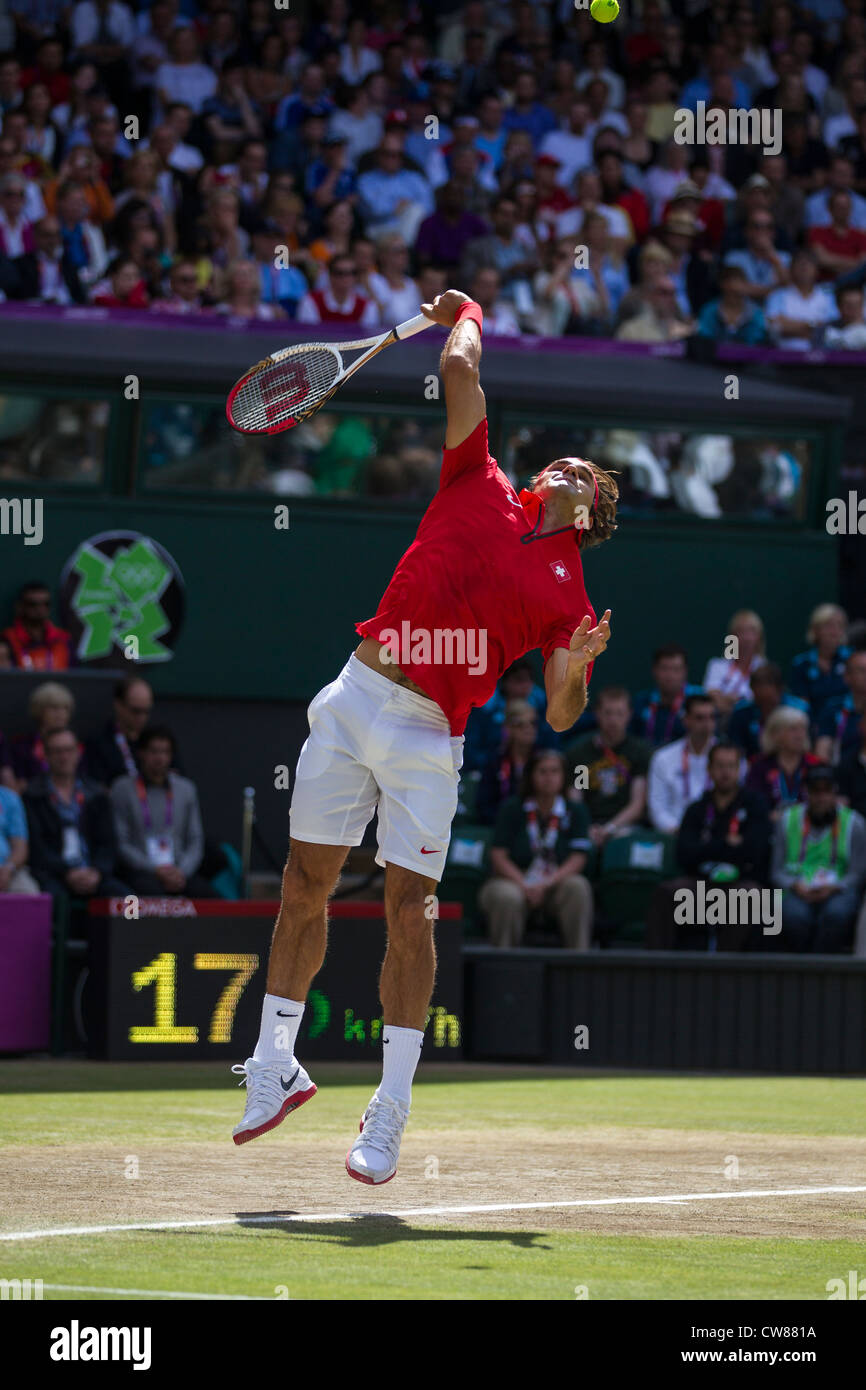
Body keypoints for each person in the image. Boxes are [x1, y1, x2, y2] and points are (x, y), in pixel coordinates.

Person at [230, 287, 616, 1183]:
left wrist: (584, 661)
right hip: (355, 690)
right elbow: (456, 364)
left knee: (409, 911)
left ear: (590, 514)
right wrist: (469, 312)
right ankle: (275, 1063)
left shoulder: (571, 596)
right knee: (302, 885)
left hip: (428, 734)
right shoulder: (474, 474)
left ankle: (391, 1105)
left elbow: (561, 714)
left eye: (583, 473)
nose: (564, 464)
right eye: (561, 460)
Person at [646, 742, 772, 950]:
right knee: (666, 893)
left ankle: (726, 971)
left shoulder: (755, 805)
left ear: (739, 770)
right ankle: (656, 970)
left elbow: (755, 852)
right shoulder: (697, 808)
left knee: (751, 897)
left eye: (731, 766)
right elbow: (684, 854)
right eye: (720, 766)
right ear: (709, 770)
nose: (725, 772)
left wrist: (708, 848)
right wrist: (726, 845)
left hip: (740, 882)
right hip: (700, 884)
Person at [479, 749, 594, 950]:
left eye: (554, 772)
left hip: (556, 880)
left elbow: (578, 858)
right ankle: (503, 966)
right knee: (507, 896)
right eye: (542, 772)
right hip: (515, 879)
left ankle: (579, 962)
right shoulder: (512, 808)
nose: (548, 778)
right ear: (531, 776)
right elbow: (498, 855)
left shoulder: (576, 810)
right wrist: (524, 884)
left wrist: (546, 884)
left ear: (563, 776)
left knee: (578, 887)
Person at [24, 726, 128, 900]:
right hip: (54, 875)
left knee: (128, 901)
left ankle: (131, 928)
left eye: (68, 750)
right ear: (46, 755)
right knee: (53, 900)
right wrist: (67, 872)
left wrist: (97, 872)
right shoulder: (33, 796)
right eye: (57, 751)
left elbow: (109, 843)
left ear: (78, 753)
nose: (63, 757)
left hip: (94, 873)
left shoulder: (96, 794)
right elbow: (38, 848)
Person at [110, 725, 213, 898]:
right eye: (154, 751)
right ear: (141, 753)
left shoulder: (186, 789)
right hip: (141, 870)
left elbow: (195, 840)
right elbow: (121, 843)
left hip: (179, 869)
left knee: (208, 897)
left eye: (165, 752)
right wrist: (155, 870)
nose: (160, 758)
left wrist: (181, 872)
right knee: (150, 893)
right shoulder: (123, 788)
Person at [771, 765, 866, 952]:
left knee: (836, 914)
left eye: (827, 790)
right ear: (807, 792)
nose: (822, 797)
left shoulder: (855, 823)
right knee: (794, 916)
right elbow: (775, 871)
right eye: (816, 791)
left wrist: (835, 887)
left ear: (835, 792)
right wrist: (794, 885)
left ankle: (823, 973)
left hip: (838, 889)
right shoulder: (787, 820)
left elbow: (858, 873)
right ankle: (799, 971)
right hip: (796, 888)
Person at [566, 686, 651, 849]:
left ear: (629, 715)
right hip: (590, 825)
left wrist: (610, 828)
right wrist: (588, 827)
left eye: (619, 713)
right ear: (597, 714)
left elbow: (637, 805)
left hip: (626, 826)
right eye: (608, 713)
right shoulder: (581, 753)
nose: (613, 720)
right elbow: (577, 798)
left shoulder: (639, 752)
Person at [648, 693, 719, 834]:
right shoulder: (663, 758)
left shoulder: (731, 758)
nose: (707, 724)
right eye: (700, 718)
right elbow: (657, 808)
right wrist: (680, 831)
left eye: (712, 717)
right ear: (686, 720)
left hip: (715, 834)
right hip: (675, 834)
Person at [745, 707, 823, 818]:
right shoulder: (760, 766)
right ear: (776, 734)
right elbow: (752, 803)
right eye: (793, 729)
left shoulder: (815, 765)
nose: (800, 735)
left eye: (803, 729)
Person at [475, 698, 539, 826]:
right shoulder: (495, 762)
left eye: (533, 723)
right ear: (507, 728)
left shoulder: (543, 760)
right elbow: (484, 805)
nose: (528, 729)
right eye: (520, 724)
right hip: (500, 827)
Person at [728, 663, 809, 761]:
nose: (759, 693)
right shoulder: (741, 713)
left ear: (779, 689)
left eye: (764, 687)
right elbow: (737, 749)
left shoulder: (799, 710)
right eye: (755, 688)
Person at [83, 676, 153, 787]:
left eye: (146, 711)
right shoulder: (98, 741)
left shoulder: (155, 740)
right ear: (119, 705)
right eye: (136, 711)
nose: (142, 717)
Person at [789, 604, 852, 726]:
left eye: (839, 626)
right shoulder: (802, 664)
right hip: (812, 725)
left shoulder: (852, 660)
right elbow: (800, 706)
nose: (834, 632)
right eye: (828, 626)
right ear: (815, 630)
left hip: (847, 725)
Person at [631, 643, 703, 748]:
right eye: (664, 669)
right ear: (654, 671)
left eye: (676, 670)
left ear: (685, 672)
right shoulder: (641, 701)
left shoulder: (699, 701)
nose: (670, 676)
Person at [702, 609, 767, 723]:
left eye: (752, 632)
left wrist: (728, 699)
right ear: (732, 636)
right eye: (742, 632)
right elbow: (711, 697)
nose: (747, 638)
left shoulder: (765, 668)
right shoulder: (717, 665)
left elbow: (764, 702)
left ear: (759, 637)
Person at [9, 681, 77, 790]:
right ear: (39, 711)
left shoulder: (76, 746)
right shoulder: (22, 746)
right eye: (54, 708)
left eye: (65, 708)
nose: (60, 713)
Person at [2, 581, 72, 670]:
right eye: (32, 604)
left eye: (46, 604)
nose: (40, 609)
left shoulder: (64, 639)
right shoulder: (8, 639)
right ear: (20, 607)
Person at [815, 649, 866, 764]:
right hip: (842, 776)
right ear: (847, 677)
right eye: (861, 671)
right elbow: (822, 751)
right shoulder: (832, 709)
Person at [0, 780, 40, 894]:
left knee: (30, 894)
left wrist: (8, 869)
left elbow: (20, 847)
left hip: (7, 870)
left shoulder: (9, 798)